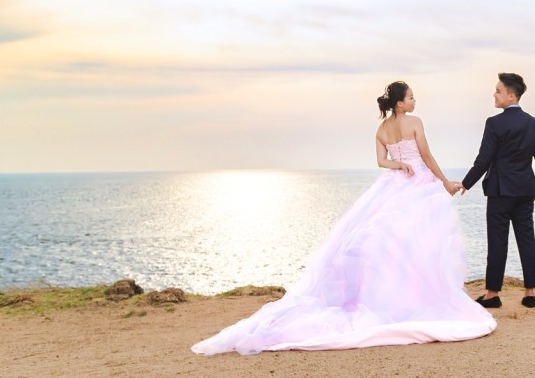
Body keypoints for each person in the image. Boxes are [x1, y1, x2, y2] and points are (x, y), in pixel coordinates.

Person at [191, 82, 495, 355]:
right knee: (418, 244)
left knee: (383, 239)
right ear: (400, 103)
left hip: (394, 184)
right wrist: (443, 182)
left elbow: (381, 162)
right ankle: (416, 300)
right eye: (412, 97)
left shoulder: (381, 129)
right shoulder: (415, 122)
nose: (415, 102)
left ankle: (393, 298)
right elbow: (427, 157)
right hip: (419, 184)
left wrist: (399, 163)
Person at [456, 72, 535, 309]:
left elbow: (484, 159)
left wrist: (466, 183)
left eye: (498, 91)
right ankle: (529, 293)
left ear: (511, 95)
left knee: (498, 242)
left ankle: (492, 294)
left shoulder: (494, 123)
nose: (494, 94)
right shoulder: (534, 123)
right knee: (527, 240)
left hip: (500, 191)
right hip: (526, 190)